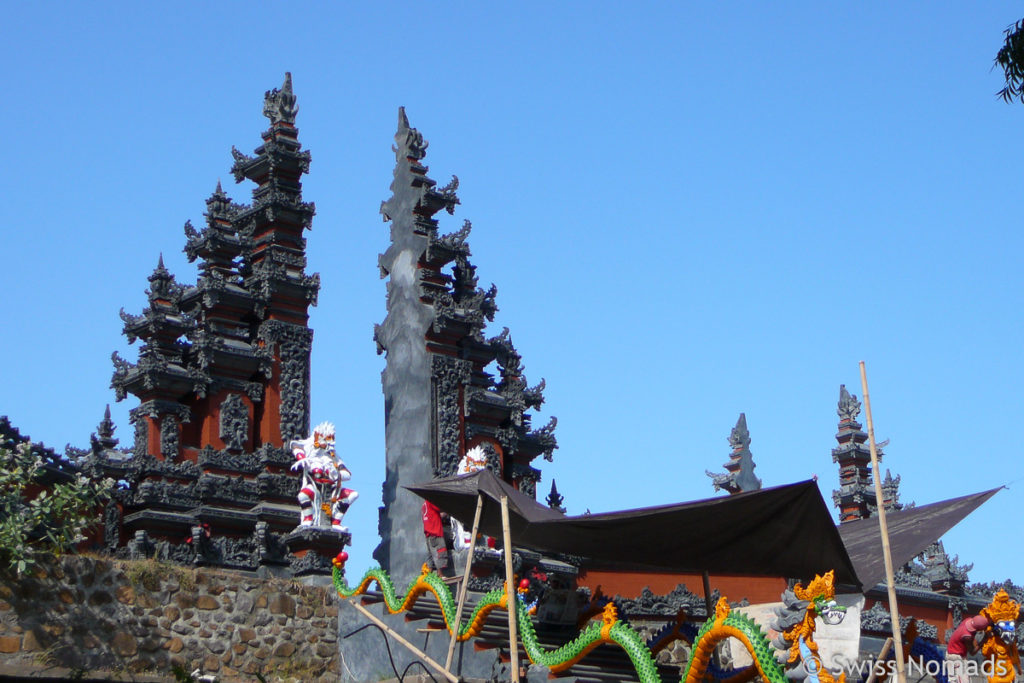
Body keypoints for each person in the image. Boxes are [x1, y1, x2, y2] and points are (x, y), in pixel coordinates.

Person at [946, 614, 991, 683]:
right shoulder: (967, 636)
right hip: (955, 657)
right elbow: (972, 652)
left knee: (961, 679)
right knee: (961, 681)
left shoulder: (968, 620)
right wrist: (984, 640)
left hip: (955, 651)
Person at [422, 500, 455, 578]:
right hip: (435, 532)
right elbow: (440, 511)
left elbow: (434, 515)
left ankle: (428, 575)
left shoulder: (424, 505)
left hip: (429, 534)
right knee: (440, 552)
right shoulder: (431, 501)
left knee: (431, 555)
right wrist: (449, 511)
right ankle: (440, 574)